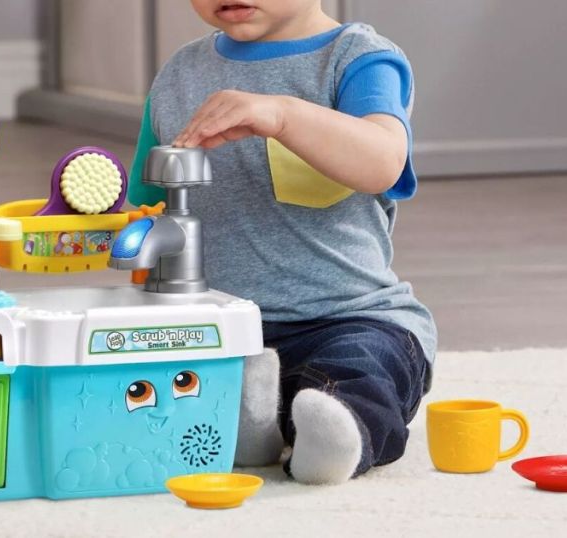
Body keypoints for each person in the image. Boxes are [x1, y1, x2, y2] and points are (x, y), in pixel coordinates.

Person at [127, 0, 436, 484]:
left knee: (359, 371)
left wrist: (283, 115)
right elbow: (144, 205)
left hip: (345, 315)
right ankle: (252, 424)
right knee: (151, 379)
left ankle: (336, 436)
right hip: (215, 322)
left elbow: (382, 162)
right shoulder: (180, 73)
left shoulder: (358, 58)